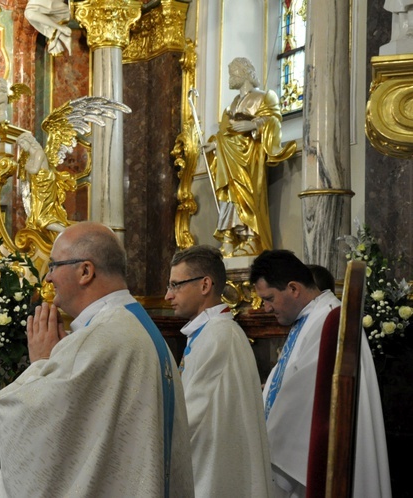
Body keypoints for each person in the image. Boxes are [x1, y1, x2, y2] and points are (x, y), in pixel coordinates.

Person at [0, 222, 194, 497]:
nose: (48, 278)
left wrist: (40, 363)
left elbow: (26, 423)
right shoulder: (131, 324)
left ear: (85, 271)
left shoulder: (101, 339)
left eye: (53, 266)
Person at [250, 250, 391, 498]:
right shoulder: (312, 319)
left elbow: (301, 408)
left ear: (293, 288)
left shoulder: (328, 322)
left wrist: (261, 448)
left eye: (269, 298)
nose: (265, 308)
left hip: (304, 469)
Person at [165, 245, 273, 498]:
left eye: (175, 285)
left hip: (214, 475)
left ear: (204, 285)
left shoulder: (218, 336)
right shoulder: (210, 333)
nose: (168, 295)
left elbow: (190, 417)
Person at [203, 57, 296, 257]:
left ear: (243, 74)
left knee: (248, 198)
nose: (229, 79)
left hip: (250, 159)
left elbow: (274, 120)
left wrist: (254, 125)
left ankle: (252, 239)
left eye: (232, 74)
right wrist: (214, 144)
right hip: (230, 159)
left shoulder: (264, 97)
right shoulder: (232, 105)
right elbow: (224, 132)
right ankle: (229, 238)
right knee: (230, 197)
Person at [15, 131, 75, 235]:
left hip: (46, 187)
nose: (22, 146)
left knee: (41, 220)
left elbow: (34, 170)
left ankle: (68, 233)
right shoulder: (29, 156)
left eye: (23, 143)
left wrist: (26, 166)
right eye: (20, 145)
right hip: (37, 188)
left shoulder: (39, 153)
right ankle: (62, 234)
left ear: (29, 141)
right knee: (36, 219)